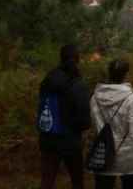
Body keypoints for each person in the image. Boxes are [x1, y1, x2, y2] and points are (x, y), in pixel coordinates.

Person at [90, 59, 133, 189]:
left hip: (104, 153)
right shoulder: (132, 99)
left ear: (109, 73)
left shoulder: (95, 97)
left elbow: (97, 127)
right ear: (126, 75)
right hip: (128, 156)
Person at [39, 43, 91, 189]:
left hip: (47, 138)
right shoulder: (77, 83)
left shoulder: (47, 80)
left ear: (60, 59)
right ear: (78, 59)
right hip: (71, 141)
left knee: (47, 182)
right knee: (77, 182)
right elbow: (84, 121)